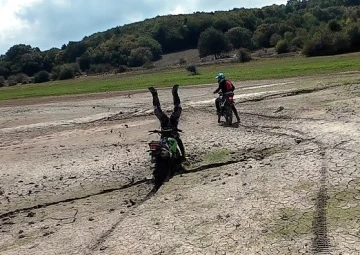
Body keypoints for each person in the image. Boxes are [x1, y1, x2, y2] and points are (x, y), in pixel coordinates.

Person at [148, 84, 186, 161]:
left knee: (177, 109)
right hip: (166, 131)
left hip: (171, 129)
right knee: (158, 110)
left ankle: (174, 92)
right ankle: (154, 94)